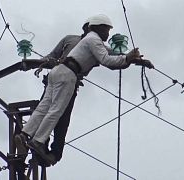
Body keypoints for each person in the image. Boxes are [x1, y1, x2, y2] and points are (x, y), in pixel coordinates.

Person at [16, 14, 154, 166]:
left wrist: (136, 60)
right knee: (56, 110)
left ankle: (24, 134)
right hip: (68, 74)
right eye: (106, 29)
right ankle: (38, 141)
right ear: (97, 27)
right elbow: (108, 60)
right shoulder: (94, 39)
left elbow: (114, 55)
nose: (107, 34)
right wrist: (128, 59)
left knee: (43, 108)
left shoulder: (89, 41)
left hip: (56, 72)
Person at [15, 18, 91, 166]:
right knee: (57, 117)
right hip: (63, 81)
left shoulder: (94, 44)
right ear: (85, 29)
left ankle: (33, 143)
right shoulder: (71, 40)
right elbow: (52, 55)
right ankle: (45, 150)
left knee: (47, 112)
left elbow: (111, 55)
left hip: (62, 81)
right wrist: (39, 63)